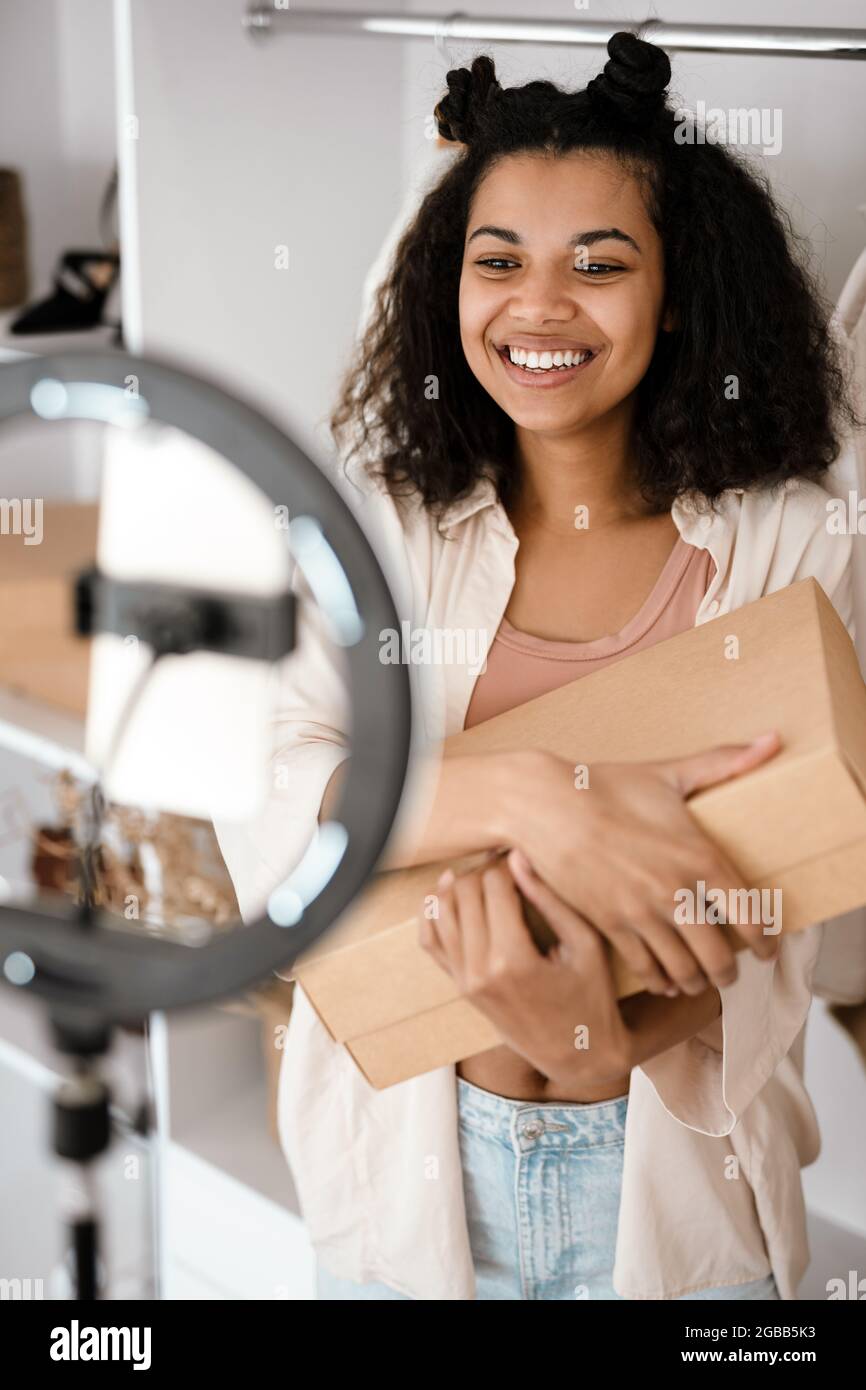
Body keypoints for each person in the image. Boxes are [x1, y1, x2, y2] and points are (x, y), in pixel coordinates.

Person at [213, 31, 859, 1300]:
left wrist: (577, 1038)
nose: (538, 306)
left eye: (598, 264)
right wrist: (541, 797)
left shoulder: (787, 535)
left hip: (671, 1188)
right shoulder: (383, 525)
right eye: (495, 260)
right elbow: (265, 811)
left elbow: (774, 894)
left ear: (676, 293)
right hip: (405, 1176)